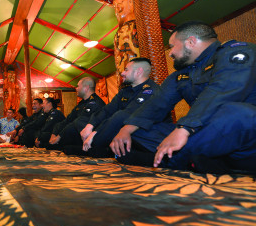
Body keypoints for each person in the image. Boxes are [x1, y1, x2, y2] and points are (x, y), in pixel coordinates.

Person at [110, 21, 256, 173]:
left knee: (239, 113)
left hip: (240, 135)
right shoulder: (181, 75)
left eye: (172, 46)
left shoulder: (235, 52)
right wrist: (126, 129)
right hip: (202, 136)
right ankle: (196, 162)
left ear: (191, 42)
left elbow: (222, 90)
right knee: (138, 131)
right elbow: (155, 104)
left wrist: (184, 128)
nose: (170, 52)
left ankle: (171, 162)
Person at [65, 57, 161, 157]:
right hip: (118, 130)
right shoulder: (125, 91)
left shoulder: (151, 90)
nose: (122, 73)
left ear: (139, 71)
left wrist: (96, 133)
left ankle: (93, 148)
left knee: (119, 117)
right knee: (86, 120)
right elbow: (107, 110)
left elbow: (126, 115)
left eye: (126, 70)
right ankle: (95, 148)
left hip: (144, 133)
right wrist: (91, 125)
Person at [49, 77, 106, 148]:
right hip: (77, 137)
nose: (76, 88)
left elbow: (78, 122)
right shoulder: (82, 103)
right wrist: (54, 133)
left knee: (65, 146)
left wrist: (59, 137)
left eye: (78, 86)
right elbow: (68, 120)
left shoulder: (95, 103)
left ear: (86, 88)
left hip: (90, 142)